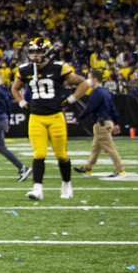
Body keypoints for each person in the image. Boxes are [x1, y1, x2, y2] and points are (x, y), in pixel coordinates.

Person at [12, 37, 89, 202]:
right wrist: (23, 103)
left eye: (38, 52)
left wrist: (69, 100)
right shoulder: (25, 69)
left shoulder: (59, 68)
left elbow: (83, 84)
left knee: (61, 155)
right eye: (32, 52)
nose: (34, 55)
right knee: (39, 153)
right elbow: (15, 88)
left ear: (47, 52)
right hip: (36, 118)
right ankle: (37, 189)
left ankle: (66, 184)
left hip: (55, 117)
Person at [76, 75, 126, 177]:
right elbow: (113, 108)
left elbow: (90, 107)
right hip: (107, 122)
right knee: (96, 148)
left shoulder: (96, 92)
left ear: (95, 79)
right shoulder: (106, 92)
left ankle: (120, 170)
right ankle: (88, 168)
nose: (88, 80)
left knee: (109, 148)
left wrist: (79, 117)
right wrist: (115, 122)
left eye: (89, 78)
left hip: (101, 123)